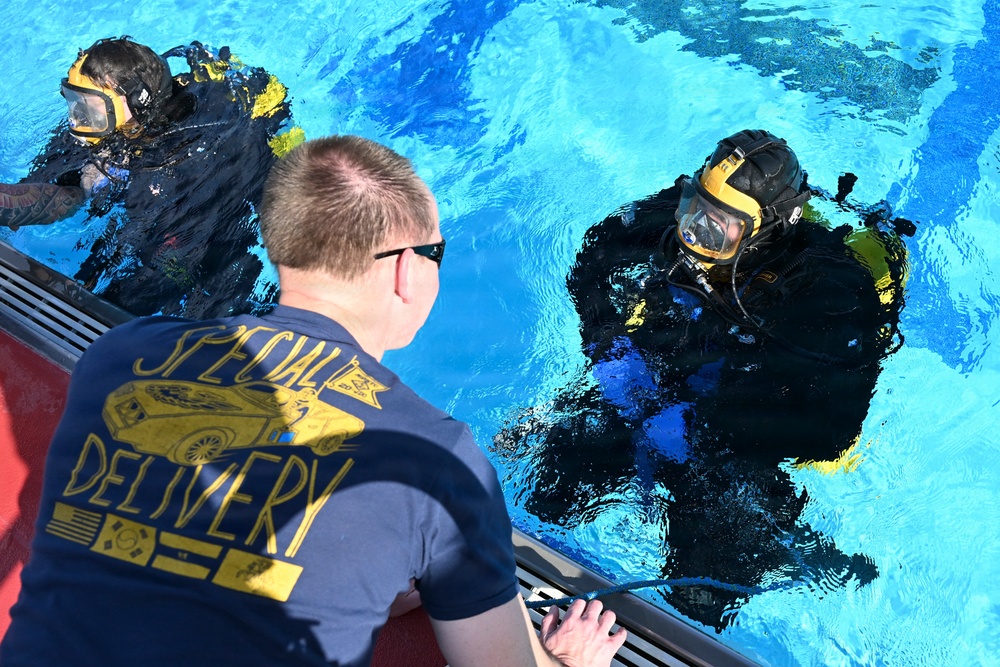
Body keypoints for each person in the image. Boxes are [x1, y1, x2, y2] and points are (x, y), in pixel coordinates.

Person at [0, 135, 627, 667]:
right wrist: (569, 659)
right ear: (407, 270)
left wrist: (364, 570)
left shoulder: (121, 354)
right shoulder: (435, 459)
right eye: (436, 252)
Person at [495, 129, 910, 630]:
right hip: (657, 387)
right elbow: (596, 255)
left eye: (720, 228)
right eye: (695, 209)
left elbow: (830, 431)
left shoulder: (832, 291)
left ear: (765, 230)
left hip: (739, 436)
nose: (694, 234)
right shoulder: (686, 216)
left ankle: (792, 550)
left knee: (698, 597)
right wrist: (609, 347)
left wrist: (705, 428)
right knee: (547, 496)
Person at [0, 36, 302, 319]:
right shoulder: (94, 133)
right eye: (73, 100)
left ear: (139, 101)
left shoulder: (186, 161)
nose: (74, 118)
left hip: (215, 210)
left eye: (89, 107)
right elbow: (50, 189)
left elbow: (175, 267)